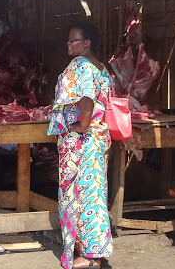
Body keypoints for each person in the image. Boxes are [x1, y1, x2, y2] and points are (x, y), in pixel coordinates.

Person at [48, 23, 113, 269]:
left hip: (82, 142)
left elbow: (86, 98)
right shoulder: (100, 66)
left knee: (81, 196)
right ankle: (93, 252)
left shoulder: (82, 65)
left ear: (87, 43)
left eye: (73, 40)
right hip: (96, 140)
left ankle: (88, 256)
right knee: (93, 195)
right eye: (68, 40)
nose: (69, 43)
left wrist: (81, 127)